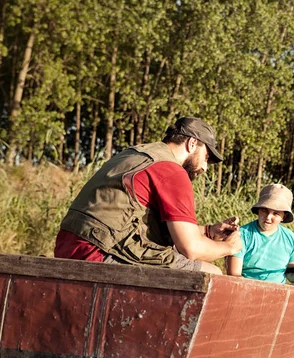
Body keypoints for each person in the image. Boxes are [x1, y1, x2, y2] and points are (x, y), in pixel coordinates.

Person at [54, 116, 241, 274]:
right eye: (206, 157)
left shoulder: (135, 154)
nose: (205, 168)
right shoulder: (172, 171)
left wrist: (209, 231)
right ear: (192, 143)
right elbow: (191, 248)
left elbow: (135, 222)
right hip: (98, 253)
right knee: (212, 273)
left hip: (70, 244)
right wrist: (229, 248)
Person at [226, 184, 294, 284]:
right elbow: (234, 276)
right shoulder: (241, 234)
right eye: (264, 210)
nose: (268, 217)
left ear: (283, 217)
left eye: (276, 213)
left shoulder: (289, 237)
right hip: (246, 292)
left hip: (277, 296)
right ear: (258, 211)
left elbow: (292, 276)